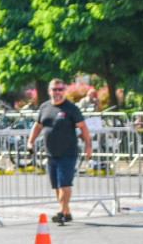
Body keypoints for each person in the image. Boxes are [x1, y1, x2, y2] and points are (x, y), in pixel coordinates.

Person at [27, 78, 93, 225]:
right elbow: (37, 126)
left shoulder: (70, 108)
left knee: (64, 184)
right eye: (55, 89)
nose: (57, 92)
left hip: (68, 152)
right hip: (51, 153)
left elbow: (83, 127)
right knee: (57, 185)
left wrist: (88, 146)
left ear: (64, 90)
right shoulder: (44, 107)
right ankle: (66, 211)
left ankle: (62, 213)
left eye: (60, 89)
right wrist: (30, 142)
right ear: (49, 91)